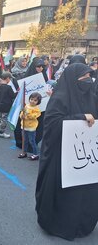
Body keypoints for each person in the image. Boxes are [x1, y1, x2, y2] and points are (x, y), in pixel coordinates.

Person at [35, 63, 98, 241]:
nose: (87, 81)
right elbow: (52, 125)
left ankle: (83, 222)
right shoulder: (60, 97)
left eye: (89, 77)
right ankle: (59, 222)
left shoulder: (92, 96)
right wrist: (79, 119)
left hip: (86, 158)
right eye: (83, 78)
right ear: (72, 79)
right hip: (61, 158)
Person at [18, 92, 42, 160]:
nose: (32, 101)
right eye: (31, 99)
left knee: (32, 141)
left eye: (35, 100)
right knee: (24, 140)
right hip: (24, 126)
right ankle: (24, 152)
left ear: (38, 102)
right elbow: (22, 113)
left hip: (31, 128)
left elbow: (34, 116)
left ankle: (35, 154)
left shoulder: (37, 109)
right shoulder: (26, 105)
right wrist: (21, 116)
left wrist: (28, 114)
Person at [0, 72, 16, 138]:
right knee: (4, 119)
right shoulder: (8, 87)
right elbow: (12, 96)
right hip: (6, 105)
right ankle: (0, 128)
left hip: (0, 104)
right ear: (7, 78)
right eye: (9, 78)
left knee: (1, 117)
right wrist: (17, 93)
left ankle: (0, 132)